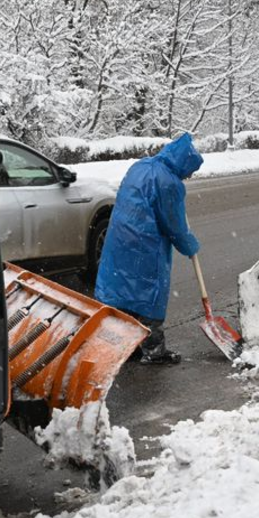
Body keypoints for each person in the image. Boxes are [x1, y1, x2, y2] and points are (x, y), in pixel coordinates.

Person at [94, 133, 204, 364]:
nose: (189, 176)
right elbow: (174, 225)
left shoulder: (141, 166)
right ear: (184, 164)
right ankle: (153, 350)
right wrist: (189, 245)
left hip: (119, 238)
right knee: (148, 292)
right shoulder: (169, 182)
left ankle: (125, 344)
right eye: (190, 172)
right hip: (145, 243)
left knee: (122, 289)